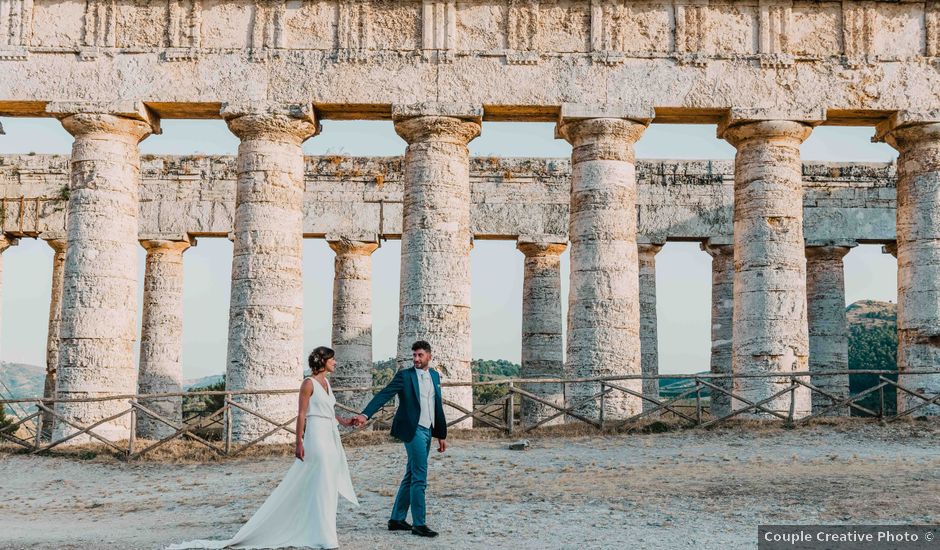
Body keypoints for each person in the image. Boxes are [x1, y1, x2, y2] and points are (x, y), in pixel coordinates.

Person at [167, 347, 358, 549]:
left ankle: (321, 531)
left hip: (330, 435)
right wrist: (299, 442)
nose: (335, 362)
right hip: (317, 437)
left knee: (326, 484)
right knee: (322, 483)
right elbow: (302, 414)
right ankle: (325, 537)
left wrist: (346, 422)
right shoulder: (308, 383)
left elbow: (328, 411)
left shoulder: (326, 382)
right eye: (332, 359)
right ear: (323, 361)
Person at [351, 340, 447, 538]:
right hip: (413, 431)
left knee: (411, 475)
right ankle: (419, 524)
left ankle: (396, 520)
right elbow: (384, 395)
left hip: (428, 430)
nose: (416, 359)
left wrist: (441, 434)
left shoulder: (435, 376)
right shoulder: (405, 376)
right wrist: (365, 414)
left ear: (429, 356)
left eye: (420, 355)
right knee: (420, 477)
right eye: (414, 355)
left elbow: (437, 406)